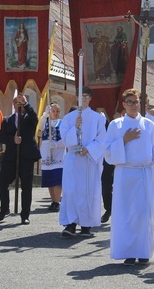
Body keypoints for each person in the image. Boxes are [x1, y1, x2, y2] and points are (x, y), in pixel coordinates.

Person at [105, 88, 154, 265]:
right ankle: (128, 252)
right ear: (124, 104)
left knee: (143, 213)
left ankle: (143, 252)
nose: (134, 105)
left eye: (137, 102)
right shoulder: (115, 125)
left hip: (144, 173)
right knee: (126, 213)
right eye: (130, 102)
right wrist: (124, 140)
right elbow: (107, 152)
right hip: (125, 174)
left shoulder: (150, 125)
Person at [59, 86, 106, 237]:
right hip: (73, 159)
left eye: (87, 96)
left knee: (88, 191)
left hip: (88, 159)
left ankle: (86, 225)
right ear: (77, 98)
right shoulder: (68, 118)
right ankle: (70, 224)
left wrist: (89, 149)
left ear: (90, 98)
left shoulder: (98, 118)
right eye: (81, 96)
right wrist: (75, 127)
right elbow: (65, 139)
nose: (84, 98)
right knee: (71, 191)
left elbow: (102, 139)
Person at [0, 94, 41, 225]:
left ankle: (25, 214)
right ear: (13, 105)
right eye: (17, 103)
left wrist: (26, 103)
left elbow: (35, 119)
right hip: (10, 157)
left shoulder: (29, 118)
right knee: (3, 183)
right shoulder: (7, 120)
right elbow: (1, 137)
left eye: (21, 104)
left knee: (26, 186)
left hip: (26, 156)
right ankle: (4, 210)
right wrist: (12, 140)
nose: (19, 106)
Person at [37, 102, 64, 212]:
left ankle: (57, 201)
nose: (55, 113)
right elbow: (40, 127)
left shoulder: (62, 123)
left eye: (57, 111)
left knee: (57, 178)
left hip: (58, 152)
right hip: (47, 151)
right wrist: (44, 115)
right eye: (53, 111)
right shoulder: (46, 122)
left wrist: (57, 144)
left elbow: (65, 138)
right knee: (49, 178)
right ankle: (53, 201)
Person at [100, 110, 121, 224]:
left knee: (120, 186)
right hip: (107, 156)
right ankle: (109, 209)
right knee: (106, 185)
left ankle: (119, 211)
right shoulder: (104, 120)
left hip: (122, 157)